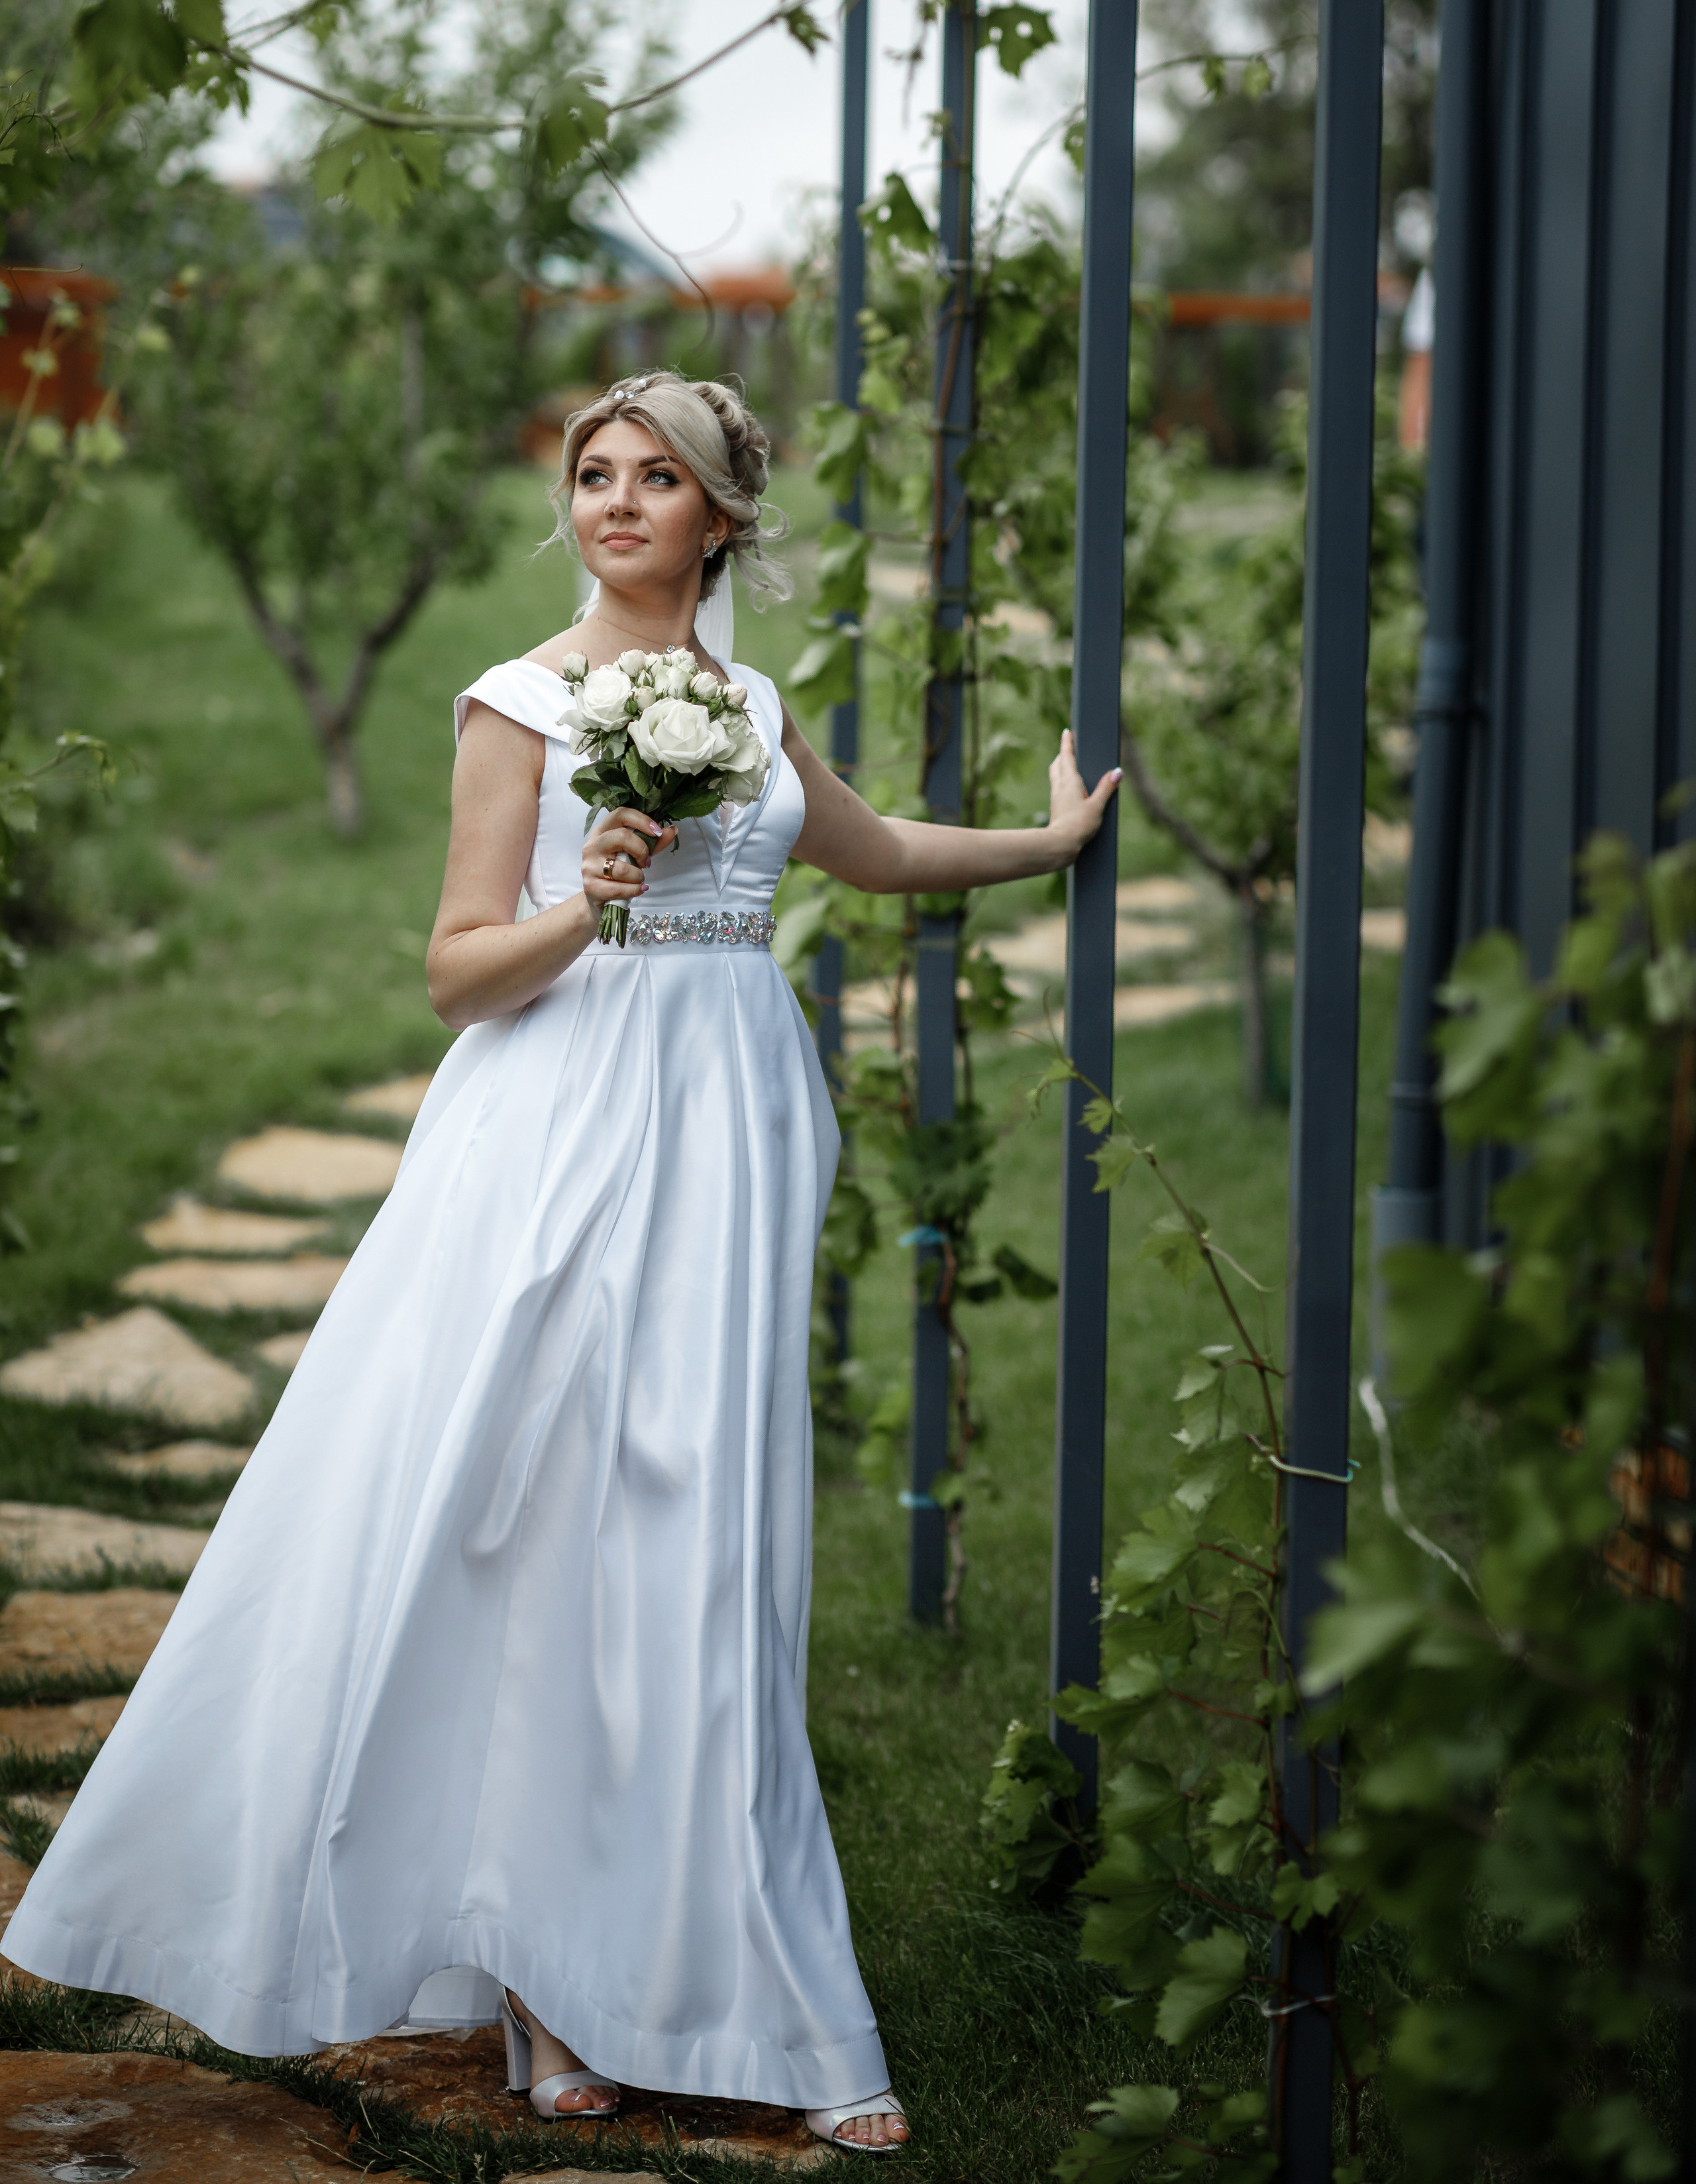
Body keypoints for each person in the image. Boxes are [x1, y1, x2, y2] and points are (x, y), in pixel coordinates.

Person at [1, 372, 1119, 2156]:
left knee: (706, 1543)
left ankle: (740, 1976)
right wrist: (587, 898)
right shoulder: (514, 702)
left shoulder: (748, 700)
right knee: (534, 1522)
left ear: (720, 518)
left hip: (733, 1138)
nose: (612, 502)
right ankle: (534, 1988)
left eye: (653, 477)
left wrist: (1049, 844)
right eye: (592, 473)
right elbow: (453, 970)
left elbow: (870, 847)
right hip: (557, 1141)